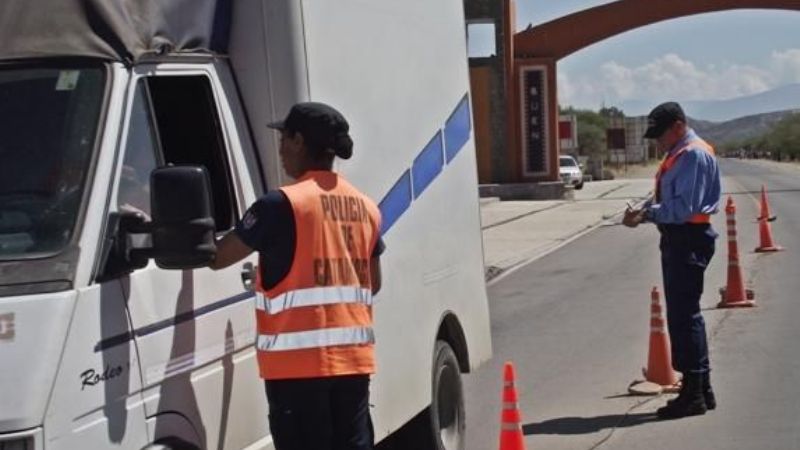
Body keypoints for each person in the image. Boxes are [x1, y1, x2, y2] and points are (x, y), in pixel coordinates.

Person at [209, 102, 384, 449]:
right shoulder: (366, 206)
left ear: (300, 141)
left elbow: (218, 257)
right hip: (352, 365)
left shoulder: (280, 205)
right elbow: (372, 282)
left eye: (284, 138)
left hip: (298, 372)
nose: (280, 148)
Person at [623, 101, 721, 419]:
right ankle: (701, 388)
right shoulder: (680, 152)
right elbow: (668, 196)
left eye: (660, 134)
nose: (658, 141)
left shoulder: (692, 153)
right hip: (682, 238)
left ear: (678, 126)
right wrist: (644, 208)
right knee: (686, 315)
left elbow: (683, 208)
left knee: (683, 317)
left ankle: (693, 393)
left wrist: (646, 214)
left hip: (687, 239)